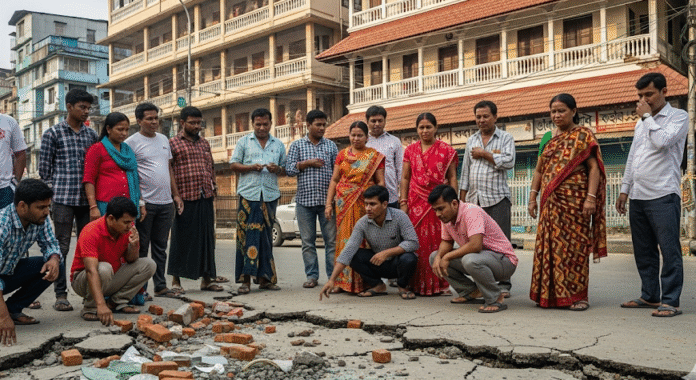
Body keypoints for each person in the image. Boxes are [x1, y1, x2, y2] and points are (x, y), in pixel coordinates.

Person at [617, 72, 688, 317]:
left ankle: (670, 300)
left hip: (663, 194)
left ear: (663, 92)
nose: (644, 99)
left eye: (649, 94)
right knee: (644, 250)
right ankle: (649, 295)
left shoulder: (678, 117)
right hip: (639, 196)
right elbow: (633, 158)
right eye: (640, 96)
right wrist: (625, 190)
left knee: (669, 250)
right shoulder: (640, 123)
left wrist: (647, 116)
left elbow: (662, 142)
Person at [528, 93, 606, 311]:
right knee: (549, 248)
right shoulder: (548, 138)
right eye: (553, 111)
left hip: (576, 203)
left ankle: (579, 296)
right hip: (550, 203)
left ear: (574, 111)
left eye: (561, 110)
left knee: (576, 249)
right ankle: (550, 296)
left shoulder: (583, 136)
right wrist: (532, 197)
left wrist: (591, 198)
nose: (556, 115)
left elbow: (594, 168)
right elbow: (538, 171)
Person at [38, 89, 99, 312]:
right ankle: (61, 294)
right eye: (82, 107)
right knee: (61, 247)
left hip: (86, 201)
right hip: (62, 200)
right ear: (69, 107)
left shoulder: (91, 135)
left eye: (88, 108)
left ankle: (87, 293)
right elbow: (44, 171)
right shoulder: (52, 134)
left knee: (87, 247)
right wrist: (53, 196)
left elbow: (94, 169)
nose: (86, 112)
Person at [125, 103, 184, 298]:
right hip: (145, 204)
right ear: (139, 121)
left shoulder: (163, 139)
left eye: (156, 118)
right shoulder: (131, 143)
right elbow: (131, 175)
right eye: (149, 118)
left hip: (165, 203)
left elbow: (169, 169)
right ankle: (140, 289)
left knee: (160, 247)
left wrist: (175, 195)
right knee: (141, 248)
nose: (154, 122)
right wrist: (140, 201)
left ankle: (160, 286)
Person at [428, 185, 517, 313]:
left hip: (504, 262)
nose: (438, 214)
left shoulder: (471, 211)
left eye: (441, 209)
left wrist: (447, 257)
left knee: (469, 260)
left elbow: (476, 245)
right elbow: (447, 242)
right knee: (434, 257)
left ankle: (495, 297)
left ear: (454, 203)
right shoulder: (447, 218)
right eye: (435, 210)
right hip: (482, 258)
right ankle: (469, 291)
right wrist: (438, 258)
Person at [320, 185, 418, 300]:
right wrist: (332, 280)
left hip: (397, 264)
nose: (367, 208)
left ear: (385, 204)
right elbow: (347, 251)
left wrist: (386, 253)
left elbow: (413, 242)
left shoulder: (400, 216)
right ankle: (378, 285)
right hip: (377, 264)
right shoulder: (362, 223)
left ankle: (402, 286)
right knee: (353, 255)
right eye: (366, 204)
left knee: (409, 258)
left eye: (372, 204)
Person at [459, 100, 515, 297]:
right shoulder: (471, 140)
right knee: (477, 244)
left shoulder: (506, 138)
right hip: (475, 202)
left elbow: (509, 162)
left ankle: (504, 284)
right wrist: (462, 202)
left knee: (501, 243)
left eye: (485, 116)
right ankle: (482, 283)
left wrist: (485, 154)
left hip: (497, 199)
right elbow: (465, 172)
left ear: (495, 117)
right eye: (478, 117)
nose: (481, 120)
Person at [71, 197, 156, 325]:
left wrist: (134, 245)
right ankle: (91, 307)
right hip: (84, 280)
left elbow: (131, 260)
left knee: (149, 264)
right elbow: (91, 270)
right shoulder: (91, 231)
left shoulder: (127, 229)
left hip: (109, 277)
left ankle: (116, 302)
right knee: (104, 268)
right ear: (111, 219)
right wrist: (100, 305)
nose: (130, 226)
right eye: (126, 222)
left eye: (132, 222)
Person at [400, 113, 458, 296]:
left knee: (438, 242)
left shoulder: (446, 150)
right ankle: (415, 283)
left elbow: (452, 177)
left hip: (439, 202)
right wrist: (403, 202)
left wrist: (453, 201)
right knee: (416, 243)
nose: (424, 131)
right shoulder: (410, 150)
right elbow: (405, 177)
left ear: (436, 128)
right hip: (415, 202)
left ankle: (439, 283)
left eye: (428, 127)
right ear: (417, 129)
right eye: (421, 127)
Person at [230, 108, 286, 294]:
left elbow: (284, 169)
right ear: (252, 124)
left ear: (271, 124)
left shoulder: (278, 144)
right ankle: (245, 281)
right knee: (245, 238)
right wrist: (250, 167)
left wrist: (276, 168)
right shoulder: (243, 142)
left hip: (269, 196)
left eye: (265, 124)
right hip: (248, 196)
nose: (262, 127)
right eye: (258, 124)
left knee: (266, 239)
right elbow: (233, 165)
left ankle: (265, 280)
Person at [325, 121, 385, 294]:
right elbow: (335, 180)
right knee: (343, 242)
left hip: (365, 205)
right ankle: (341, 282)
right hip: (343, 203)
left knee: (362, 243)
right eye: (353, 135)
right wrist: (328, 204)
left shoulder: (375, 156)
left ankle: (364, 282)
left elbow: (381, 182)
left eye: (360, 135)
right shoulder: (342, 155)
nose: (356, 138)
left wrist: (380, 204)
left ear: (367, 137)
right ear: (349, 136)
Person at [0, 179, 61, 345]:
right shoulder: (2, 225)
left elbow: (51, 244)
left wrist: (54, 259)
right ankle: (6, 312)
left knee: (56, 265)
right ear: (22, 206)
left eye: (48, 206)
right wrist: (2, 318)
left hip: (7, 273)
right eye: (41, 207)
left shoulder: (39, 219)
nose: (47, 212)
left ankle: (13, 309)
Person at [168, 106, 221, 292]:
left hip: (204, 194)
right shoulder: (172, 143)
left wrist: (213, 186)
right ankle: (176, 281)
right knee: (181, 238)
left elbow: (211, 166)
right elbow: (169, 171)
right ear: (182, 123)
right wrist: (175, 195)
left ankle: (207, 280)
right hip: (184, 196)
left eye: (199, 123)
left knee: (207, 239)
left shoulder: (205, 143)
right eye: (192, 123)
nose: (197, 126)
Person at [285, 109, 338, 289]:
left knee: (331, 242)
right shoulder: (297, 146)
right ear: (308, 125)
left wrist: (333, 201)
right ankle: (312, 276)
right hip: (304, 202)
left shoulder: (331, 146)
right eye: (318, 125)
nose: (322, 128)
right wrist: (307, 163)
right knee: (307, 242)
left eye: (324, 124)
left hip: (326, 203)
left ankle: (333, 277)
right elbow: (289, 169)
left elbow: (337, 175)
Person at [84, 112, 142, 220]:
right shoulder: (97, 149)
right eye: (120, 129)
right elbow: (89, 180)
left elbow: (135, 179)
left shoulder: (128, 150)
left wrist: (141, 203)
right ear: (108, 129)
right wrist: (93, 207)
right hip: (105, 205)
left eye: (126, 130)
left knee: (127, 236)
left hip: (128, 205)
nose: (124, 133)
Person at [365, 106, 403, 209]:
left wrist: (402, 196)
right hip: (367, 197)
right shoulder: (363, 142)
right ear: (367, 121)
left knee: (391, 224)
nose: (377, 124)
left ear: (385, 121)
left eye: (380, 120)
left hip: (391, 195)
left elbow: (400, 170)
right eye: (373, 121)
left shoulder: (394, 141)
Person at [0, 114, 27, 209]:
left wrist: (15, 182)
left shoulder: (9, 122)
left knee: (5, 223)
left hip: (5, 190)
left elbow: (20, 153)